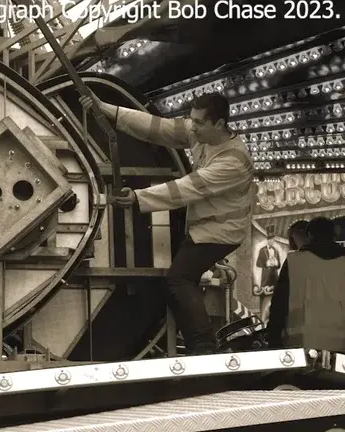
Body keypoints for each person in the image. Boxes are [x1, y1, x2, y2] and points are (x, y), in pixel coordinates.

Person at [80, 91, 254, 355]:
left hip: (221, 233)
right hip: (204, 228)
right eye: (191, 120)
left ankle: (204, 346)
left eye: (198, 123)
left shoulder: (233, 161)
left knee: (179, 279)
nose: (191, 127)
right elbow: (157, 128)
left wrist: (138, 198)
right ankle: (199, 344)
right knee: (181, 281)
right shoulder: (202, 135)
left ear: (218, 124)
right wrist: (107, 109)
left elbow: (185, 189)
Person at [266, 217, 345, 352]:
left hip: (303, 345)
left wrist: (273, 338)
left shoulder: (294, 262)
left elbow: (279, 303)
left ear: (309, 236)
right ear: (335, 235)